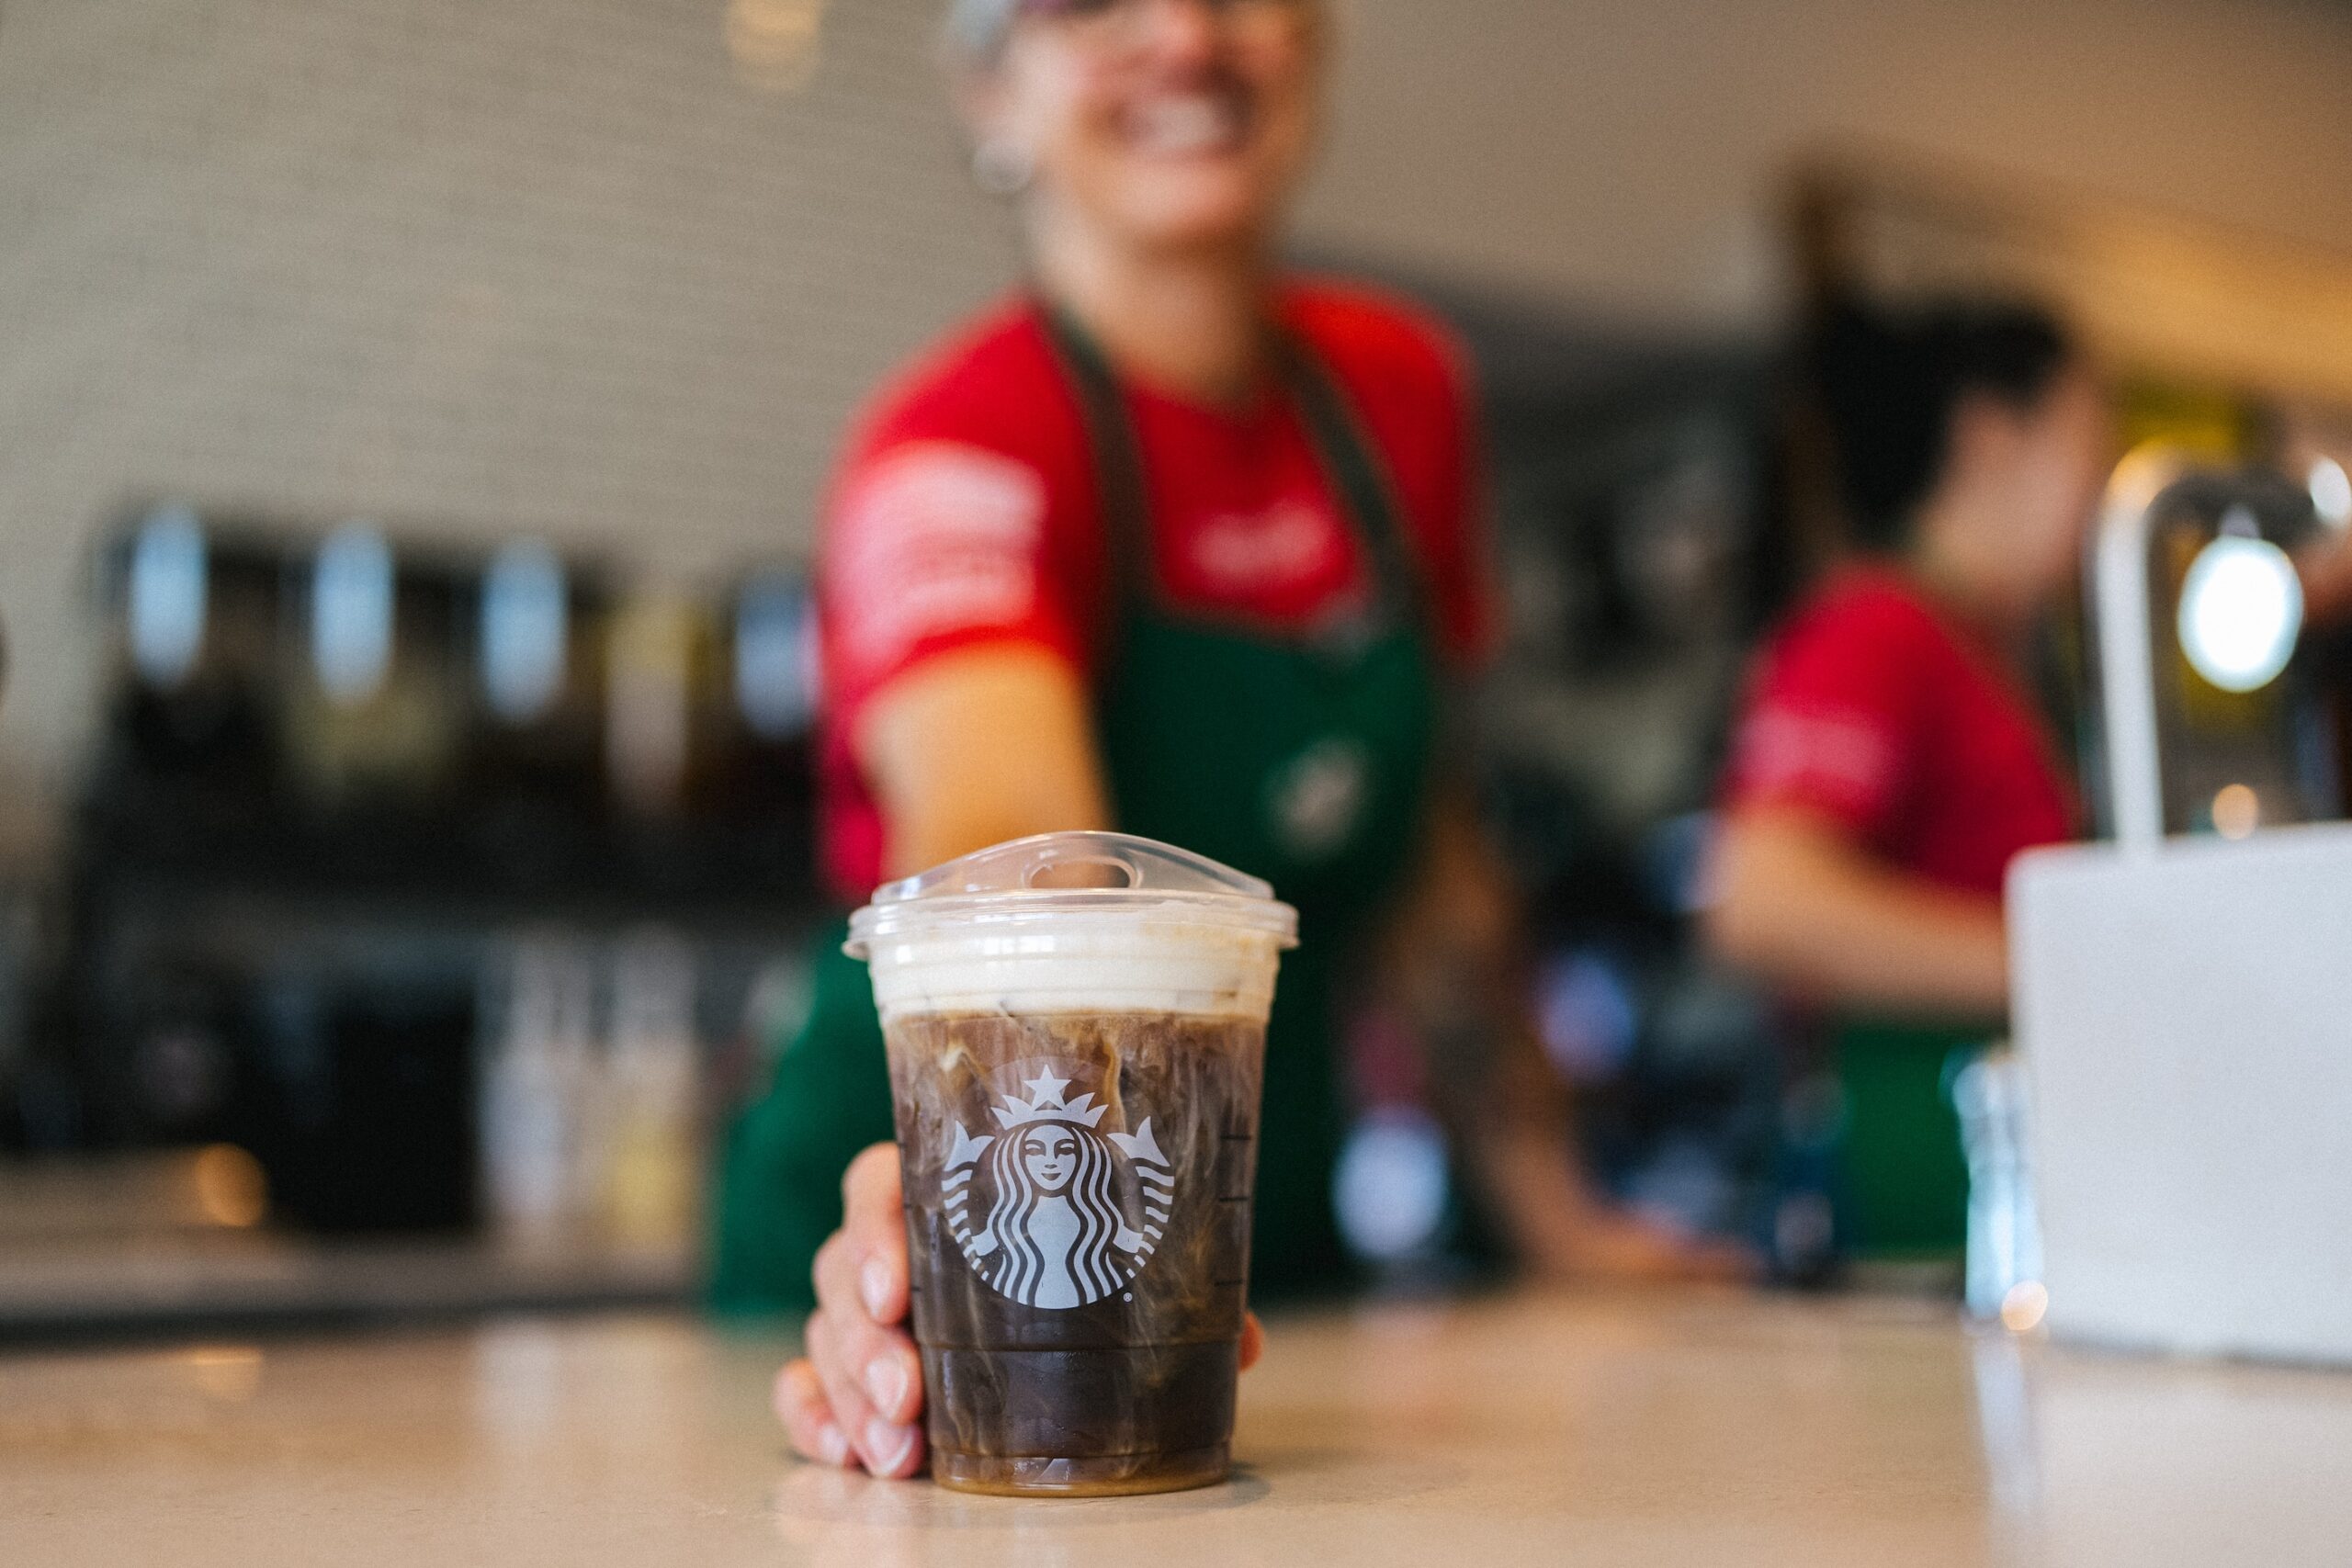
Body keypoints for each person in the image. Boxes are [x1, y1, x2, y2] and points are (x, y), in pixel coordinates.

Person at [715, 0, 1741, 1482]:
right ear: (989, 90)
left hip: (1246, 1240)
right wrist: (968, 1228)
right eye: (1091, 3)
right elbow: (1019, 862)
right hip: (919, 1278)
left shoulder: (1401, 398)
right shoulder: (954, 445)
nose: (1188, 36)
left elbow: (1432, 860)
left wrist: (1561, 1221)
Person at [1704, 296, 2112, 1253]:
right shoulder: (1879, 630)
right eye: (2090, 440)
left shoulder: (1990, 656)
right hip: (1919, 1189)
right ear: (1990, 433)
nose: (2100, 486)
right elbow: (1763, 902)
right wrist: (2070, 962)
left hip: (1986, 1186)